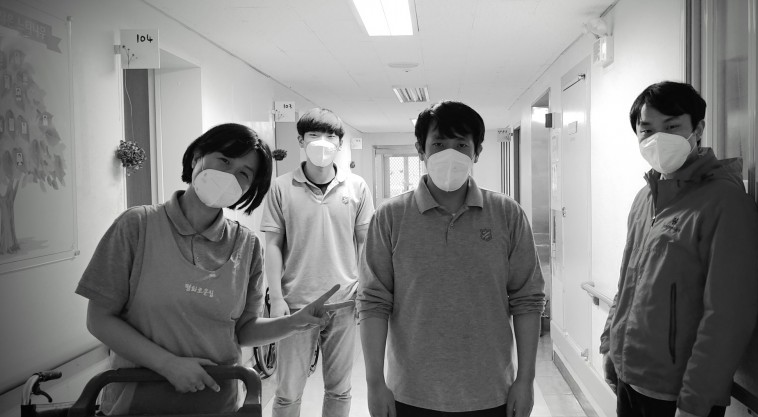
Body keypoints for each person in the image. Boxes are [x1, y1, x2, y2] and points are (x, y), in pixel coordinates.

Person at [76, 123, 341, 415]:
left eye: (244, 173)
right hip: (136, 403)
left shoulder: (247, 245)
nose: (230, 176)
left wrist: (295, 322)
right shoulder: (138, 226)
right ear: (196, 158)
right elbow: (99, 319)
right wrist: (167, 365)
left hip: (218, 403)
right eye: (224, 161)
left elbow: (243, 331)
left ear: (249, 188)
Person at [357, 100, 546, 417]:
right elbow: (373, 302)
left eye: (461, 145)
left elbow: (527, 300)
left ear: (477, 151)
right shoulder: (390, 217)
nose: (450, 154)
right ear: (421, 150)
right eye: (438, 144)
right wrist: (374, 382)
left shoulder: (507, 214)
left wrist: (525, 380)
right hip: (411, 393)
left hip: (491, 391)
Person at [600, 81, 758, 417]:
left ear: (697, 129)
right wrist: (610, 347)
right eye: (647, 130)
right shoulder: (645, 197)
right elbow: (627, 282)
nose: (658, 139)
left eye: (672, 127)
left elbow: (728, 315)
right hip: (630, 378)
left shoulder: (725, 202)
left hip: (677, 394)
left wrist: (695, 401)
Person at [260, 108, 374, 417]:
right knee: (287, 393)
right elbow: (273, 245)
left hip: (344, 302)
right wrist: (277, 298)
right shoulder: (281, 187)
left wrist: (364, 292)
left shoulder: (357, 187)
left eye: (330, 136)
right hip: (295, 304)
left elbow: (365, 244)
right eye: (314, 135)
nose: (322, 142)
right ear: (301, 140)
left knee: (339, 389)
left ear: (340, 143)